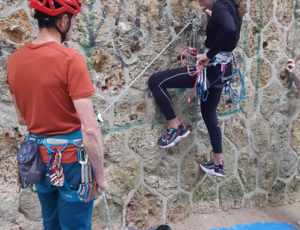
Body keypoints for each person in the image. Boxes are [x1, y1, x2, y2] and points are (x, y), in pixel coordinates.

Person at [6, 0, 109, 229]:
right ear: (63, 20)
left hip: (39, 163)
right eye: (73, 20)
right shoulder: (70, 59)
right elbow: (90, 129)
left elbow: (22, 119)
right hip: (72, 163)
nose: (72, 26)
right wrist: (100, 175)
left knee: (50, 223)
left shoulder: (15, 60)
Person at [148, 0, 246, 178]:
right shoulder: (231, 5)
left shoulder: (220, 5)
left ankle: (175, 126)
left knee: (156, 81)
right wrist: (214, 17)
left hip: (210, 70)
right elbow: (228, 30)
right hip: (222, 72)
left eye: (201, 0)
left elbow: (229, 29)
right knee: (209, 114)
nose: (200, 4)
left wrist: (208, 55)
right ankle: (218, 164)